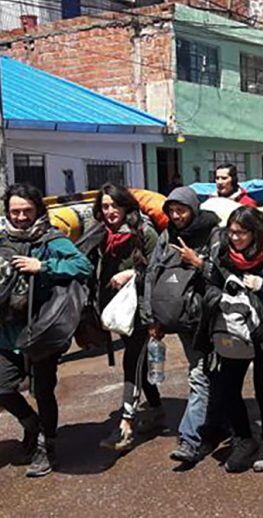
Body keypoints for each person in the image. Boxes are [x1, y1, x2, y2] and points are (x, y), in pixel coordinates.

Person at [0, 183, 93, 477]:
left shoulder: (50, 239)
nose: (21, 217)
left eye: (27, 211)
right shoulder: (1, 242)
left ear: (38, 210)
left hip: (41, 333)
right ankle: (31, 424)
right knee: (0, 388)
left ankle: (47, 448)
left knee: (43, 392)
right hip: (8, 335)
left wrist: (44, 265)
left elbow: (83, 266)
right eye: (15, 211)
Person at [202, 206, 263, 473]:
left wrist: (262, 285)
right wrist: (219, 296)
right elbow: (209, 282)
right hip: (234, 331)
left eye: (240, 233)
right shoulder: (225, 254)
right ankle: (244, 439)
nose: (234, 238)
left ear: (255, 232)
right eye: (231, 232)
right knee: (227, 388)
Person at [141, 186, 222, 464]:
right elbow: (153, 274)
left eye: (181, 210)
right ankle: (209, 427)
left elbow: (224, 274)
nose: (176, 216)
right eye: (171, 211)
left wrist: (198, 262)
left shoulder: (212, 233)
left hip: (209, 318)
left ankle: (191, 439)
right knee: (202, 374)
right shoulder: (166, 236)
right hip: (181, 320)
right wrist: (152, 317)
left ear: (193, 208)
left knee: (202, 375)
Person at [94, 183, 162, 452]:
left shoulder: (145, 232)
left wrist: (132, 274)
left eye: (114, 205)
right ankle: (156, 411)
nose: (110, 211)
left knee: (132, 362)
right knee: (141, 367)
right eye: (105, 206)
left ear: (126, 206)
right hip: (122, 313)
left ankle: (126, 425)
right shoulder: (102, 235)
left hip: (145, 312)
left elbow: (159, 270)